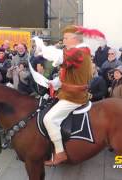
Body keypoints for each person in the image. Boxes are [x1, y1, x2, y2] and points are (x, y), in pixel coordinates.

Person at [41, 25, 92, 165]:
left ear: (75, 39)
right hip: (68, 93)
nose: (63, 40)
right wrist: (54, 82)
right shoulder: (79, 52)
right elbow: (68, 75)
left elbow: (57, 56)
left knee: (49, 119)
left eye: (66, 38)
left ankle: (60, 153)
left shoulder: (78, 52)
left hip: (73, 97)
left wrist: (42, 47)